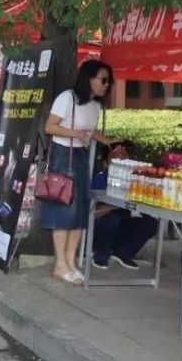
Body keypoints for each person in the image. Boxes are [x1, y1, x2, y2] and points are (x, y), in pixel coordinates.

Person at [41, 60, 114, 286]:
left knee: (80, 213)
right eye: (103, 79)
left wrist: (110, 142)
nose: (106, 85)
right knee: (64, 212)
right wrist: (75, 133)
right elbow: (49, 127)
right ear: (88, 78)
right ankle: (60, 265)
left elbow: (90, 132)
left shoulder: (95, 106)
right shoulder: (67, 98)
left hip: (81, 158)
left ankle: (71, 263)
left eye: (108, 81)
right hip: (63, 157)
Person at [89, 142, 159, 270]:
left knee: (150, 223)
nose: (121, 160)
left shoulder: (134, 180)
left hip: (122, 226)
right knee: (112, 220)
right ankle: (100, 254)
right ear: (106, 163)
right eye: (116, 157)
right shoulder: (99, 180)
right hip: (101, 228)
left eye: (124, 157)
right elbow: (91, 213)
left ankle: (124, 252)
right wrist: (116, 204)